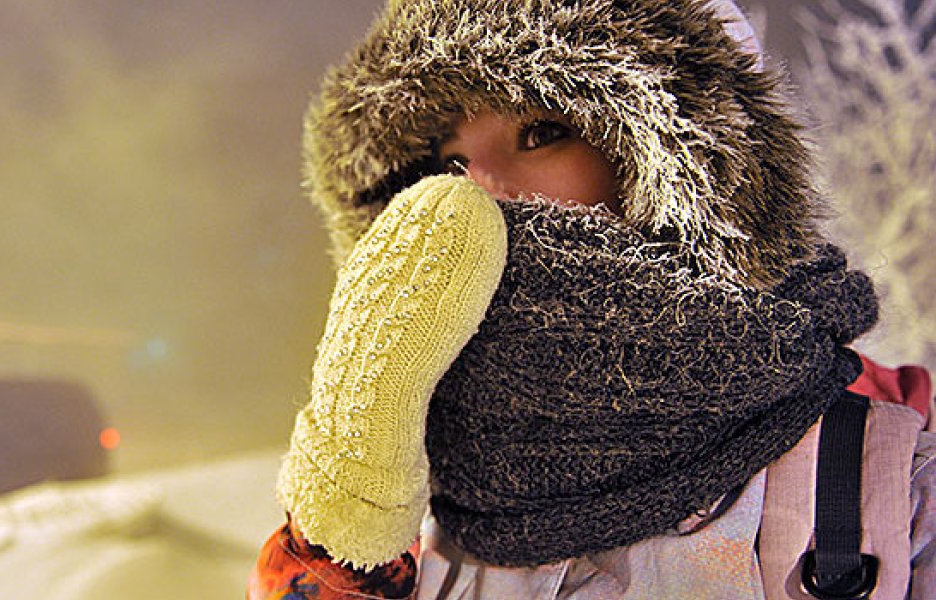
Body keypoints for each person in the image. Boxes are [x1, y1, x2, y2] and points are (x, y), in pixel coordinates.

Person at [249, 1, 936, 598]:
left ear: (677, 158)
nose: (476, 191)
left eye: (542, 133)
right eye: (449, 165)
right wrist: (344, 509)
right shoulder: (416, 491)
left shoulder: (888, 480)